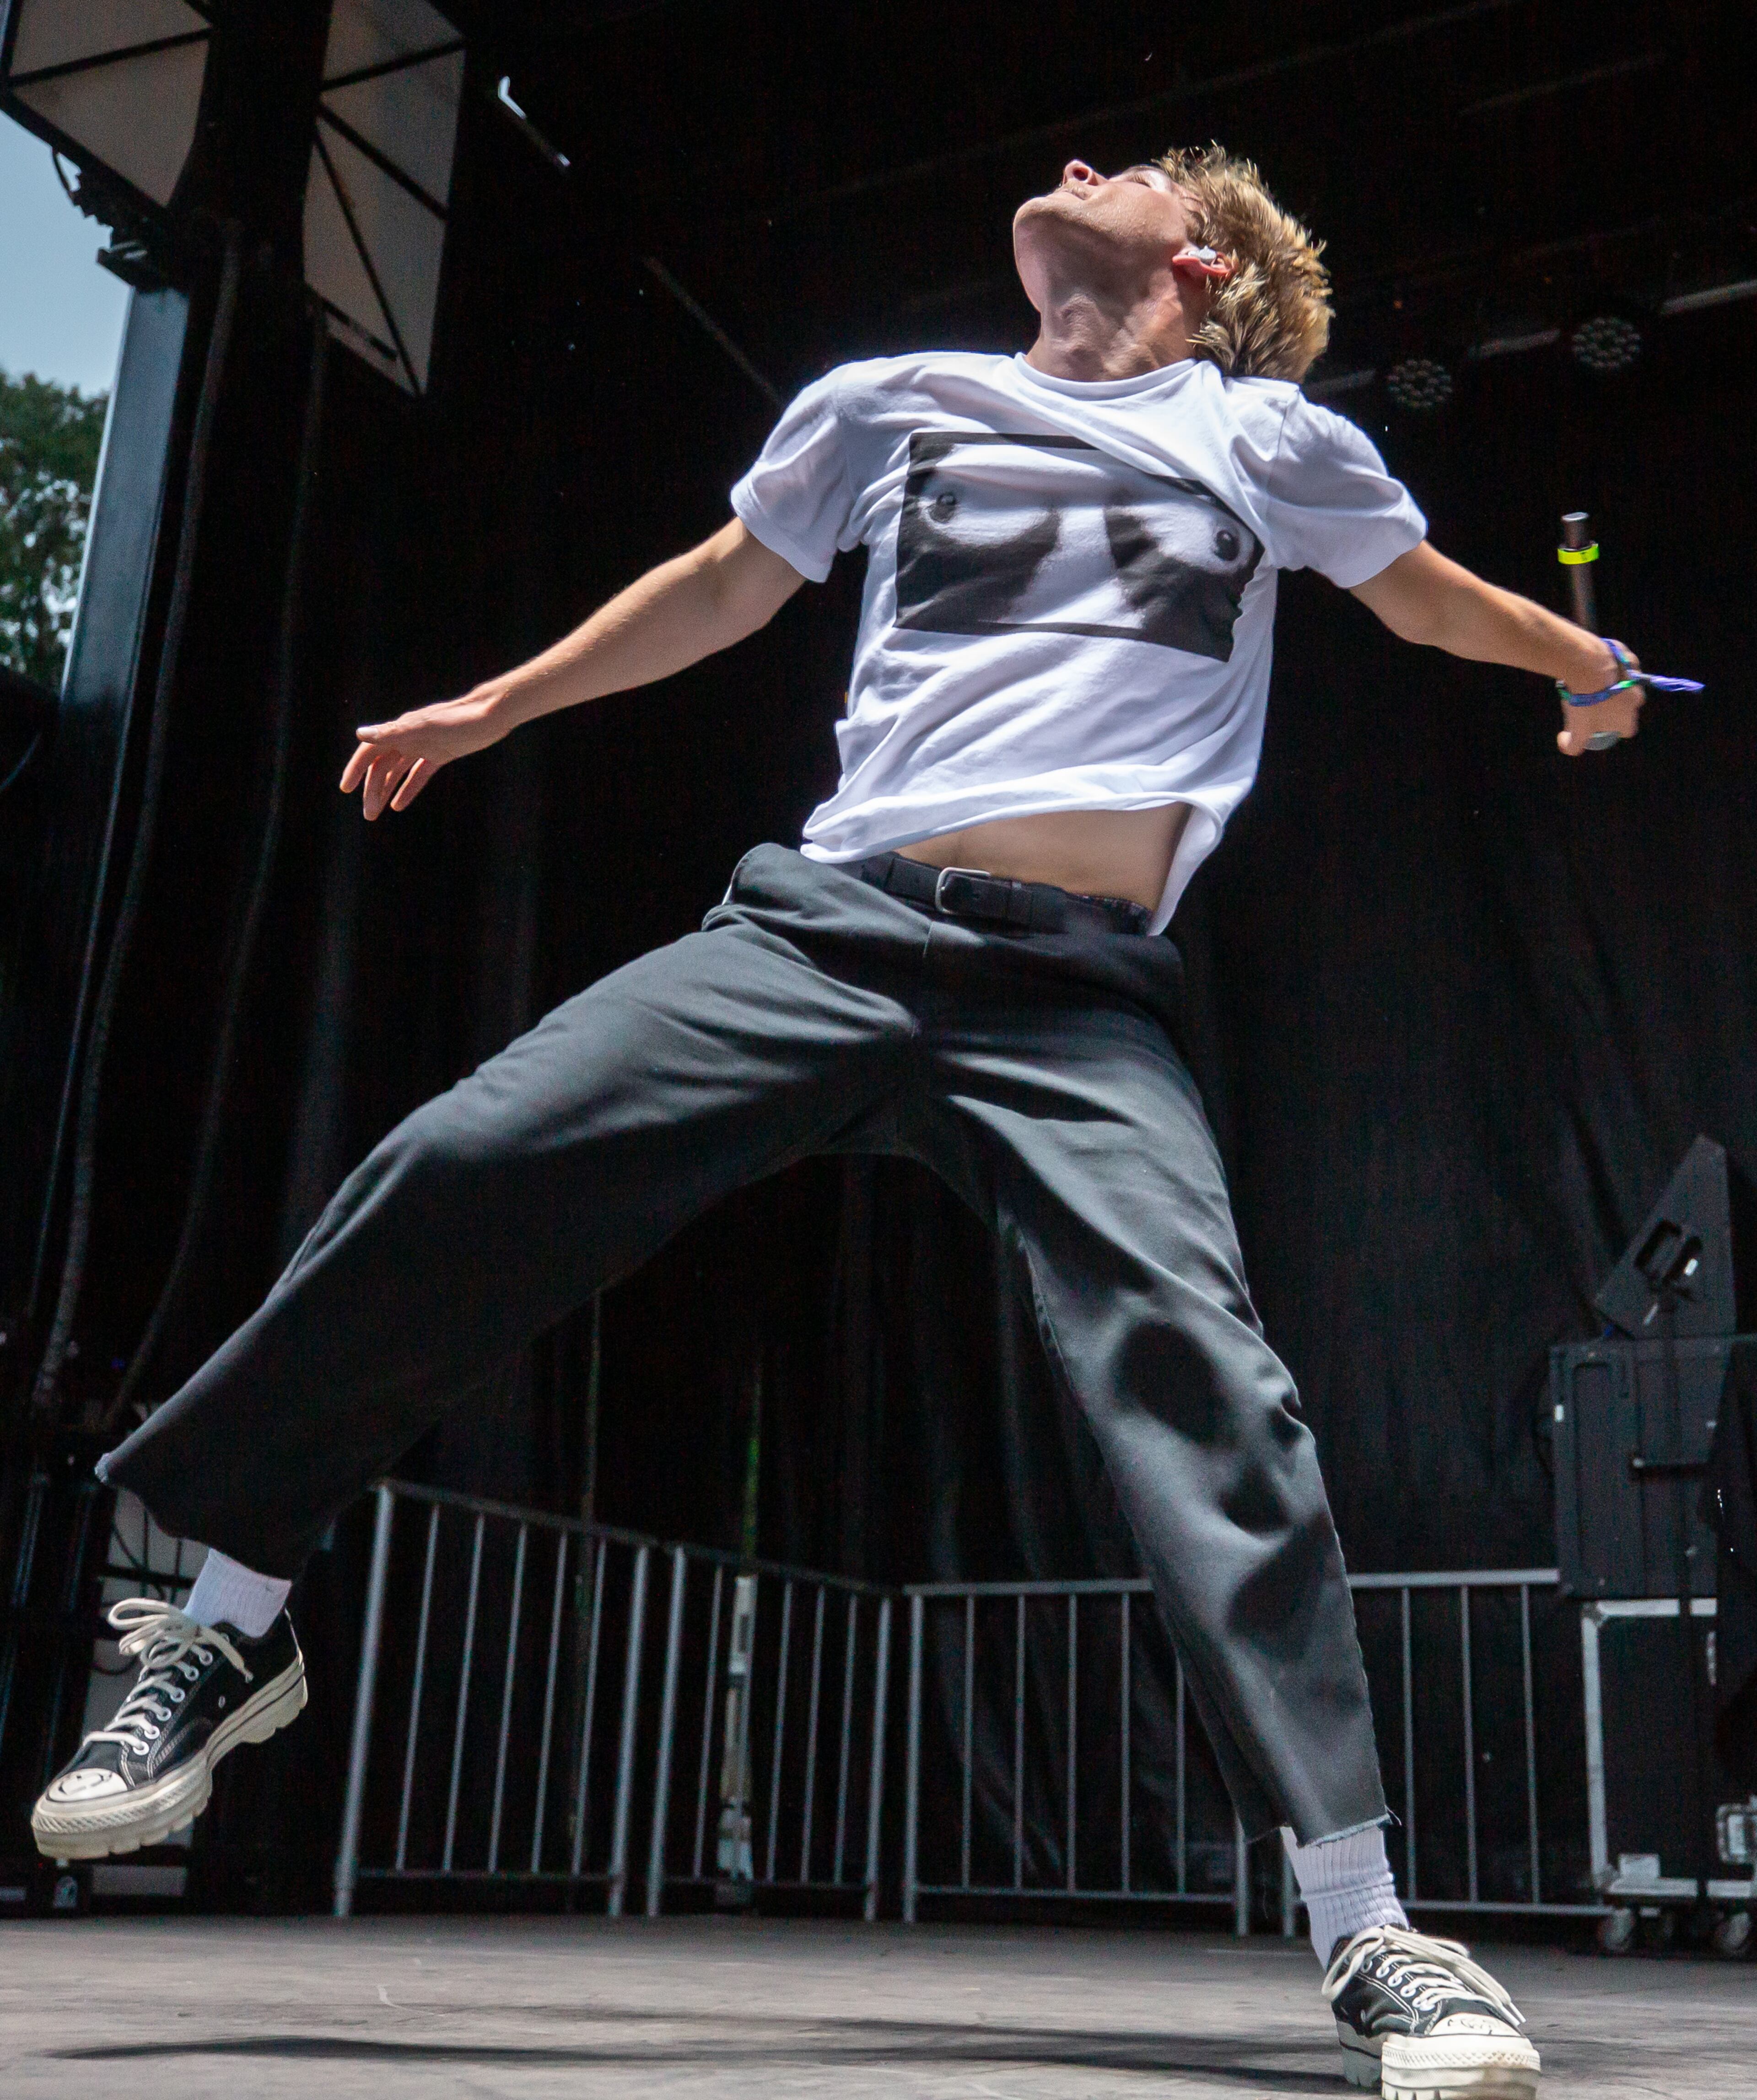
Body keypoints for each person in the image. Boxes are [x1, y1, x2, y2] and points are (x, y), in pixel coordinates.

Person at [35, 147, 1646, 2099]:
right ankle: (229, 1620)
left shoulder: (1264, 436)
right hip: (830, 928)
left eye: (1116, 168)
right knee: (465, 1164)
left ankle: (1372, 1917)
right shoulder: (893, 404)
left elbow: (1429, 600)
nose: (1067, 166)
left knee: (1213, 1381)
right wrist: (496, 707)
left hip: (1072, 998)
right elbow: (722, 585)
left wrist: (1582, 662)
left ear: (1197, 256)